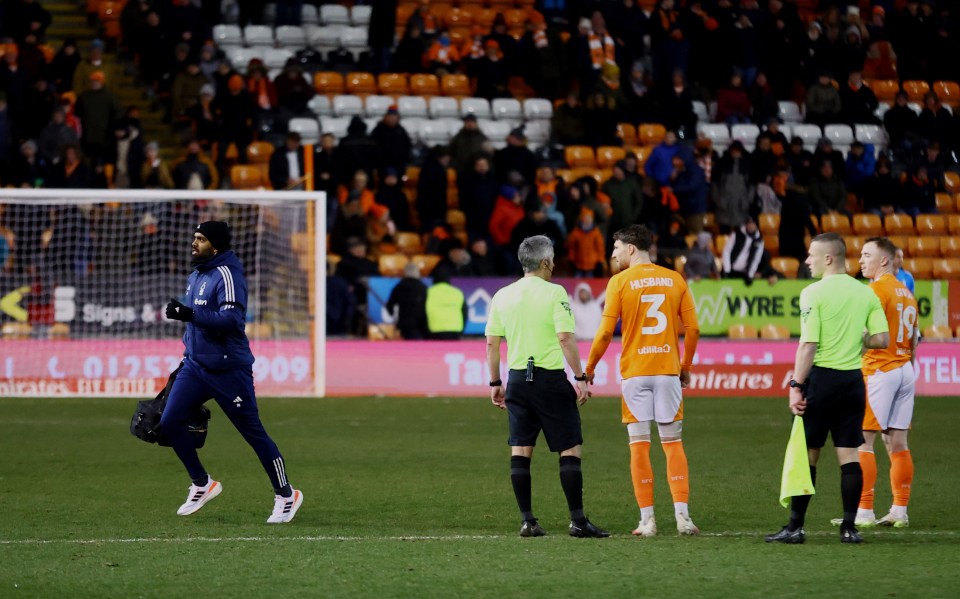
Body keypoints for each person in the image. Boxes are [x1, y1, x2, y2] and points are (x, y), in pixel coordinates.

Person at [161, 221, 303, 522]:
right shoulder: (198, 272)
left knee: (253, 434)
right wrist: (187, 355)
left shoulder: (228, 273)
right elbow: (196, 324)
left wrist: (188, 314)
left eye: (200, 239)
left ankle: (287, 494)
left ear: (216, 244)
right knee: (168, 421)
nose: (194, 243)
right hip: (196, 367)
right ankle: (202, 483)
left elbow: (231, 321)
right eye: (194, 238)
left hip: (228, 370)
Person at [766, 232, 889, 545]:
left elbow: (808, 344)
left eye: (811, 255)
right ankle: (849, 528)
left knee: (808, 454)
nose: (807, 260)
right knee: (849, 454)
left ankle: (795, 527)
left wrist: (796, 385)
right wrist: (858, 339)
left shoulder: (813, 293)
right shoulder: (866, 294)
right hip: (852, 382)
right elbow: (882, 340)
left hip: (822, 380)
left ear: (829, 258)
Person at [485, 235, 609, 539]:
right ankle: (578, 521)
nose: (553, 265)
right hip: (549, 379)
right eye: (551, 260)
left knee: (521, 448)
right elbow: (565, 338)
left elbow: (491, 343)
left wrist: (495, 382)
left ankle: (528, 521)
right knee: (570, 447)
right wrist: (580, 378)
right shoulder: (555, 293)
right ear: (544, 262)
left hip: (516, 379)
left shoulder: (502, 295)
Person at [585, 224, 701, 538]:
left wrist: (590, 368)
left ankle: (647, 521)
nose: (613, 254)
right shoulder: (674, 278)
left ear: (632, 249)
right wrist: (685, 365)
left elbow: (606, 332)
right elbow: (692, 328)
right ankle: (683, 518)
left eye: (617, 248)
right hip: (667, 371)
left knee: (639, 447)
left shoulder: (619, 282)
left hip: (636, 374)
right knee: (673, 444)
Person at [825, 237, 917, 529]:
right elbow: (915, 338)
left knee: (863, 441)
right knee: (898, 442)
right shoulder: (907, 292)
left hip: (879, 370)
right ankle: (899, 510)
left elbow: (865, 331)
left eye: (867, 255)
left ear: (885, 261)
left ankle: (863, 510)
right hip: (904, 369)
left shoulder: (875, 290)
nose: (861, 260)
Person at [386, 262, 428, 340]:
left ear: (404, 273)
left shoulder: (398, 287)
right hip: (422, 322)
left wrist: (392, 315)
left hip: (405, 322)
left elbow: (390, 305)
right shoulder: (424, 288)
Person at [425, 268, 466, 340]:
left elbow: (423, 313)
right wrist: (461, 330)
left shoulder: (428, 292)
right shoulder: (457, 292)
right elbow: (465, 313)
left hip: (435, 330)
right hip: (455, 330)